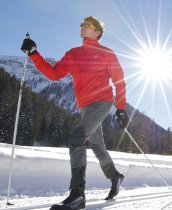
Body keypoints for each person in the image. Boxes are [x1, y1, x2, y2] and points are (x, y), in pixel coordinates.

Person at [21, 16, 129, 210]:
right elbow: (54, 74)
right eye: (81, 25)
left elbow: (119, 80)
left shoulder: (107, 53)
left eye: (87, 25)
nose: (83, 27)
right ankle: (115, 176)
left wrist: (121, 108)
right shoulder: (73, 53)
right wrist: (34, 54)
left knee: (77, 137)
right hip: (85, 107)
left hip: (101, 102)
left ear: (98, 32)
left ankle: (77, 194)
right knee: (97, 146)